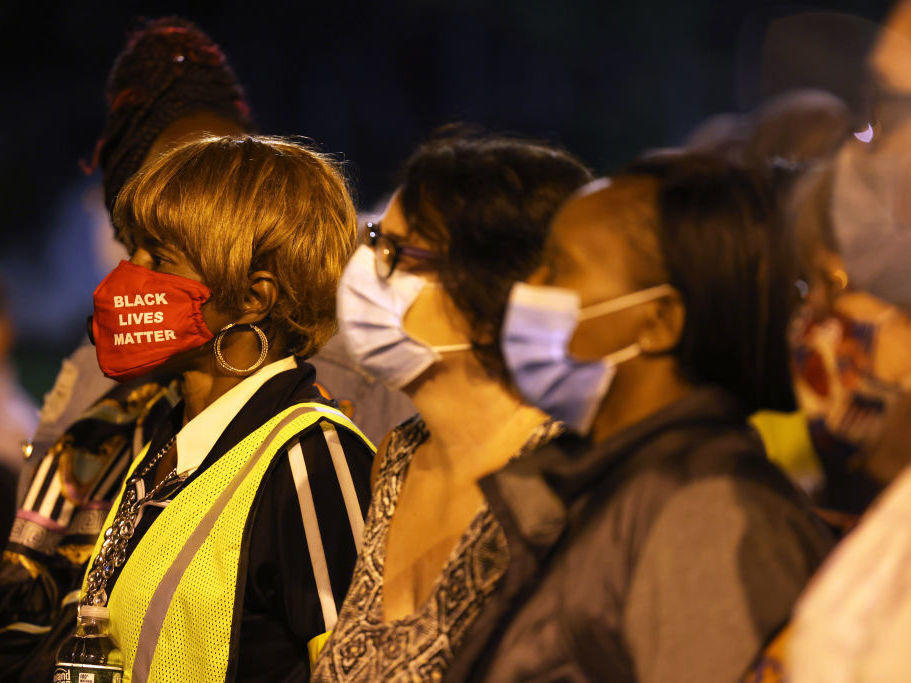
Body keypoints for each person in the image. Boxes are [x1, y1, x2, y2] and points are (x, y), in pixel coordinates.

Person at [446, 153, 831, 681]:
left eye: (560, 268)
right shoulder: (609, 480)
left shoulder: (708, 516)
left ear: (659, 321)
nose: (528, 287)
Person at [311, 133, 592, 680]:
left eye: (394, 253)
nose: (364, 271)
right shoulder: (397, 458)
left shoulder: (568, 488)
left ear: (490, 301)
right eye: (373, 241)